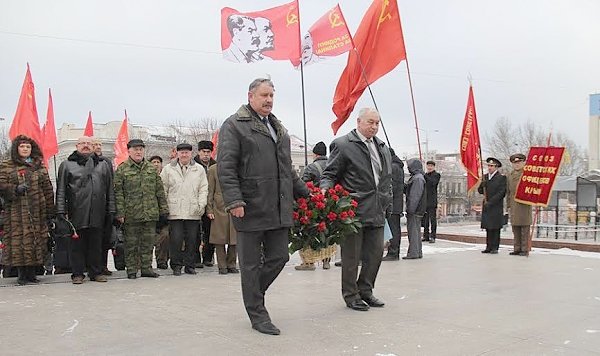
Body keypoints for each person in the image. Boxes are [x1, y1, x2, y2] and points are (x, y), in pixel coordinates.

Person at [218, 78, 308, 335]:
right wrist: (234, 200)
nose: (269, 100)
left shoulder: (277, 128)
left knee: (279, 256)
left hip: (277, 206)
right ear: (250, 96)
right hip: (249, 206)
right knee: (249, 264)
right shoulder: (235, 125)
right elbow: (226, 167)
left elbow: (287, 169)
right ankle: (258, 315)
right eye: (264, 95)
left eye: (272, 95)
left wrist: (305, 194)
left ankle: (253, 293)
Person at [320, 107, 392, 312]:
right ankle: (351, 295)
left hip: (377, 209)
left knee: (375, 254)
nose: (374, 126)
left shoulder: (382, 147)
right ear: (358, 122)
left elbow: (386, 179)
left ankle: (366, 291)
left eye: (377, 123)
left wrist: (389, 201)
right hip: (353, 210)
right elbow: (329, 174)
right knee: (351, 257)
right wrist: (325, 190)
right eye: (370, 122)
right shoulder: (343, 145)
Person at [56, 136, 115, 284]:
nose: (86, 146)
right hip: (76, 211)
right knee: (77, 245)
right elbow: (61, 190)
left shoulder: (102, 165)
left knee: (96, 243)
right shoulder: (67, 165)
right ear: (77, 146)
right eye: (83, 143)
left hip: (98, 210)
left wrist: (112, 208)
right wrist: (61, 210)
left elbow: (110, 189)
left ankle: (95, 272)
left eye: (89, 143)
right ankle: (77, 273)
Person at [0, 135, 55, 285]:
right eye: (22, 146)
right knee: (19, 243)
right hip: (15, 213)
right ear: (16, 149)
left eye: (28, 147)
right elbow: (1, 186)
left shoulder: (39, 166)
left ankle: (32, 274)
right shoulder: (7, 165)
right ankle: (21, 275)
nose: (25, 149)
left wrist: (51, 211)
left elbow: (48, 189)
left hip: (37, 211)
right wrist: (14, 189)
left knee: (36, 241)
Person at [114, 139, 169, 279]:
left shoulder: (151, 169)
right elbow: (118, 192)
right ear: (129, 151)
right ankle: (132, 270)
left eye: (140, 149)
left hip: (150, 212)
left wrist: (163, 210)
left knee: (148, 243)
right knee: (131, 244)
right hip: (131, 214)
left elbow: (159, 191)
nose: (138, 152)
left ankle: (146, 268)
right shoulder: (122, 169)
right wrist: (120, 212)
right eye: (135, 149)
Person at [160, 143, 208, 276]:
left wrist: (201, 204)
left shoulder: (198, 169)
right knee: (176, 240)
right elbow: (163, 189)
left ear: (191, 154)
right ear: (177, 153)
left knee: (192, 240)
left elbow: (203, 188)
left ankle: (190, 265)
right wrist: (164, 207)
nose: (184, 155)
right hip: (175, 210)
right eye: (182, 152)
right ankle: (176, 265)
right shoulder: (168, 169)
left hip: (193, 210)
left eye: (187, 152)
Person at [296, 141, 329, 271]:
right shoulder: (332, 164)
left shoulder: (311, 167)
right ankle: (326, 260)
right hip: (331, 202)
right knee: (327, 230)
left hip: (314, 202)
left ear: (315, 154)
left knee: (311, 230)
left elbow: (302, 184)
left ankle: (309, 262)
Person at [206, 163, 238, 275]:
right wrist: (209, 209)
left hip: (235, 204)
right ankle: (222, 266)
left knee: (234, 238)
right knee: (219, 238)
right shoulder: (213, 169)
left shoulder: (237, 166)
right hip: (219, 206)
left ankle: (232, 264)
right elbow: (210, 190)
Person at [92, 138, 116, 276]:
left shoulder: (106, 162)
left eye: (99, 145)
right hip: (91, 206)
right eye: (95, 145)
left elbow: (111, 184)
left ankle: (104, 266)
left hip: (105, 205)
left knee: (106, 240)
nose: (98, 147)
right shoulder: (88, 162)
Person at [195, 140, 217, 268]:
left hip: (211, 203)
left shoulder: (214, 165)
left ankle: (208, 258)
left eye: (208, 152)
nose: (206, 155)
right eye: (204, 152)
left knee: (210, 232)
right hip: (196, 202)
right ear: (199, 152)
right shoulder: (193, 164)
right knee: (195, 233)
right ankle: (196, 259)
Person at [478, 157, 507, 254]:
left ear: (496, 167)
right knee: (488, 227)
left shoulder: (501, 178)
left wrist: (491, 202)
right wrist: (482, 185)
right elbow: (480, 191)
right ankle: (488, 246)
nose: (489, 168)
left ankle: (495, 247)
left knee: (495, 227)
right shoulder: (485, 177)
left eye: (491, 166)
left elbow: (501, 193)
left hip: (495, 206)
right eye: (488, 166)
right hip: (486, 205)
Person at [506, 153, 531, 256]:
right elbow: (508, 191)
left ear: (523, 162)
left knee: (524, 228)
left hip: (524, 204)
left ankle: (525, 249)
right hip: (513, 204)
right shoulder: (510, 175)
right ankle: (517, 248)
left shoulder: (527, 174)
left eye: (519, 162)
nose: (517, 164)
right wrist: (508, 205)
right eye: (514, 163)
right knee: (515, 227)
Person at [382, 148, 405, 261]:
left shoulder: (393, 167)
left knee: (394, 229)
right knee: (395, 228)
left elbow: (391, 187)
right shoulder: (397, 166)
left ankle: (393, 253)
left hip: (393, 204)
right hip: (396, 203)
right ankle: (393, 251)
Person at [403, 159, 427, 260]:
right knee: (416, 232)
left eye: (409, 166)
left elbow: (415, 196)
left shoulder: (417, 179)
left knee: (413, 232)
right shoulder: (419, 177)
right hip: (419, 209)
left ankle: (413, 253)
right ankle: (417, 252)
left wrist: (410, 209)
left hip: (415, 210)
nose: (408, 168)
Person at [150, 155, 170, 269]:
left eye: (158, 162)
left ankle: (162, 261)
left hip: (163, 216)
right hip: (149, 216)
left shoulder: (166, 177)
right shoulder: (146, 177)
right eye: (154, 162)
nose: (156, 164)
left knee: (165, 237)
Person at [422, 160, 441, 243]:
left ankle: (433, 236)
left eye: (431, 166)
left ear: (434, 167)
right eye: (428, 166)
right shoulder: (425, 175)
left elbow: (433, 183)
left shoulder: (436, 175)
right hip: (425, 200)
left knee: (432, 219)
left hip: (432, 200)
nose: (429, 167)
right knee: (425, 220)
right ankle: (425, 236)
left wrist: (425, 177)